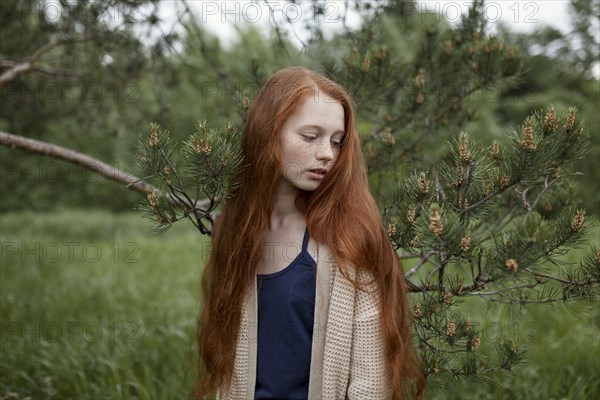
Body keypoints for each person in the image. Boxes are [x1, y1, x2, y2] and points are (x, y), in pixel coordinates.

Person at [193, 66, 425, 399]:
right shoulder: (231, 229)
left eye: (336, 141)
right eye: (310, 136)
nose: (328, 154)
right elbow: (225, 362)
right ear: (267, 132)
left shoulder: (349, 235)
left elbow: (371, 379)